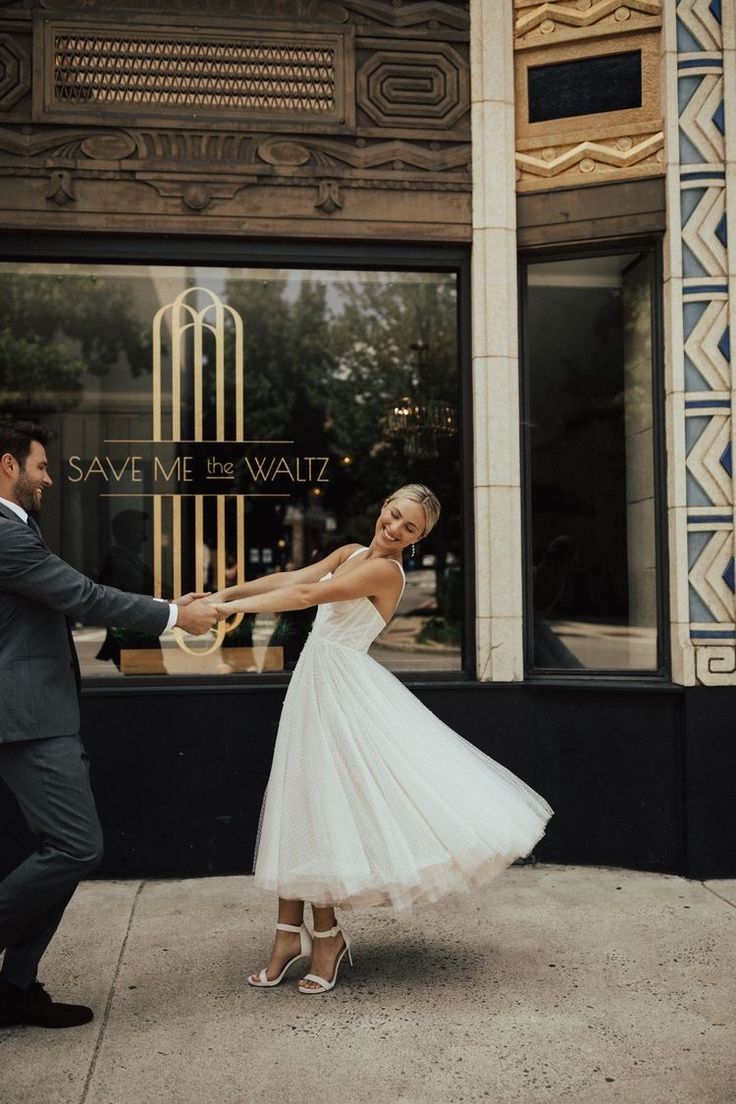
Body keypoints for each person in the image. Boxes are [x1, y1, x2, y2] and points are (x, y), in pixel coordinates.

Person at [211, 484, 552, 995]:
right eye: (393, 515)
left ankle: (322, 940)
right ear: (383, 506)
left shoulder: (383, 571)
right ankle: (291, 937)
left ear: (418, 538)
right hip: (315, 686)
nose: (393, 529)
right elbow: (295, 576)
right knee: (301, 804)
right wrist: (225, 594)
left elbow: (305, 597)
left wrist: (219, 615)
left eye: (408, 528)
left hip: (343, 694)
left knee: (321, 807)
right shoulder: (351, 552)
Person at [0, 418, 220, 1029]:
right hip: (26, 718)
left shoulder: (19, 529)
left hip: (40, 713)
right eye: (40, 466)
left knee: (62, 848)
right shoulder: (5, 534)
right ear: (8, 465)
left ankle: (14, 986)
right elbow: (87, 597)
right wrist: (177, 614)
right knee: (75, 846)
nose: (48, 477)